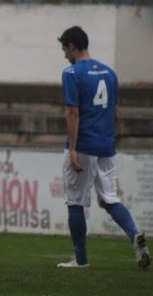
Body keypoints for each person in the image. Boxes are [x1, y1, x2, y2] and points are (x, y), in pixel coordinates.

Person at [56, 26, 151, 269]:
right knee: (109, 198)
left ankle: (81, 260)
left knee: (76, 201)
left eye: (65, 49)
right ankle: (135, 234)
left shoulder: (72, 73)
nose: (65, 54)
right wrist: (110, 140)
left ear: (73, 47)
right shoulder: (110, 73)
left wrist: (74, 148)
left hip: (84, 143)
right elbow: (115, 112)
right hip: (106, 144)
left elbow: (73, 111)